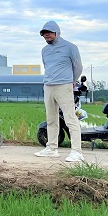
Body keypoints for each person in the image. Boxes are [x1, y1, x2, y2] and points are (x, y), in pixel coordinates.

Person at [35, 21, 84, 162]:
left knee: (70, 118)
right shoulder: (44, 50)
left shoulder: (70, 47)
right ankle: (51, 148)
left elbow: (78, 67)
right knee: (51, 118)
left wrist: (72, 81)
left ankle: (77, 152)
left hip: (64, 86)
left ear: (56, 32)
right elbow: (47, 66)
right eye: (44, 33)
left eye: (49, 32)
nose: (46, 35)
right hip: (48, 86)